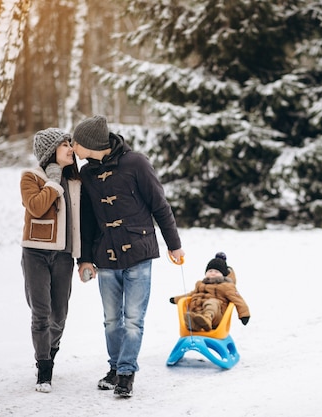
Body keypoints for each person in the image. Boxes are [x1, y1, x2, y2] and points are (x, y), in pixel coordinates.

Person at [73, 115, 185, 398]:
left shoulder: (136, 163)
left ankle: (126, 373)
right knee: (111, 319)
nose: (73, 145)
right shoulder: (86, 174)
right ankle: (114, 368)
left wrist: (174, 245)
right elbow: (85, 220)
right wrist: (84, 259)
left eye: (77, 141)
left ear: (90, 143)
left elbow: (160, 205)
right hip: (105, 255)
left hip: (138, 251)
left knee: (133, 318)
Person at [20, 128, 82, 393]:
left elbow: (83, 222)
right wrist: (53, 182)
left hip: (65, 255)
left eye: (70, 143)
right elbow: (36, 207)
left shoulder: (77, 182)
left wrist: (85, 257)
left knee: (60, 314)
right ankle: (44, 368)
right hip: (35, 253)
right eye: (65, 144)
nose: (71, 148)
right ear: (50, 151)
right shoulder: (31, 177)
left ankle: (50, 351)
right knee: (41, 313)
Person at [170, 254, 250, 332]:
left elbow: (238, 300)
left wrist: (244, 315)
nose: (213, 273)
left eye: (216, 271)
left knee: (211, 303)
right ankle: (195, 324)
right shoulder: (200, 284)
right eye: (210, 271)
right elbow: (190, 294)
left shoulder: (226, 286)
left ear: (223, 275)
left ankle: (207, 319)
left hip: (216, 317)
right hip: (198, 313)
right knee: (190, 313)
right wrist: (176, 299)